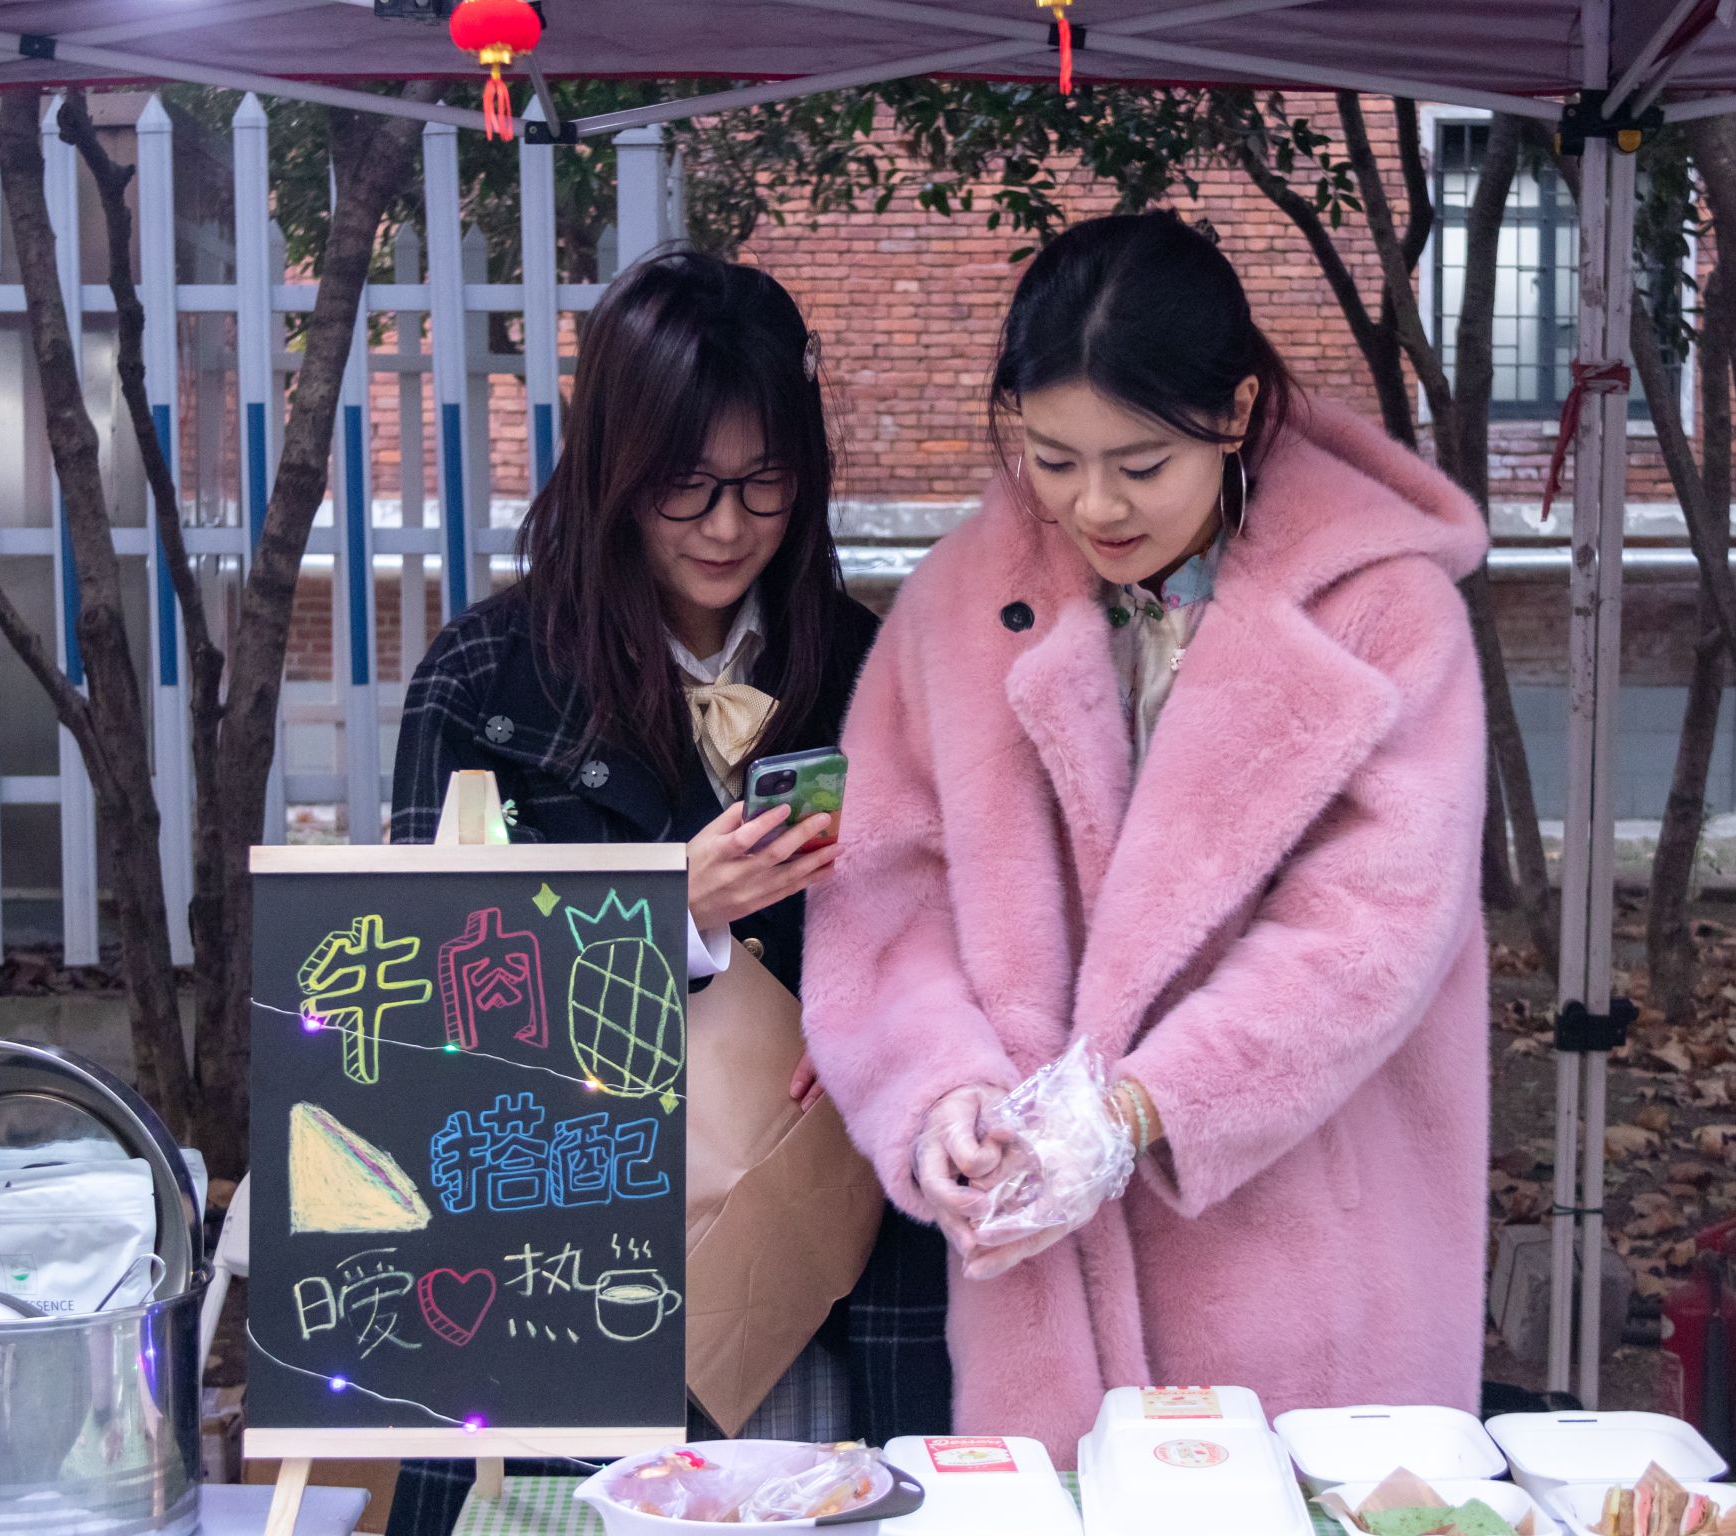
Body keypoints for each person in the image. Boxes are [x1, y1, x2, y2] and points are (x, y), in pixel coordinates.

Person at [801, 210, 1491, 1465]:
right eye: (1052, 459)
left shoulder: (1387, 612)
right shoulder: (956, 605)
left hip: (1312, 1245)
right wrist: (940, 1091)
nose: (1094, 504)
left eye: (1140, 462)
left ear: (1235, 413)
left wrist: (1138, 1110)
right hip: (1047, 1288)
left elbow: (1372, 927)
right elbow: (886, 893)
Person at [385, 250, 949, 1533]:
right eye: (682, 485)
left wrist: (886, 1034)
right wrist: (660, 912)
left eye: (763, 482)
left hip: (813, 1259)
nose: (726, 526)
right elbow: (413, 1028)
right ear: (611, 473)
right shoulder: (482, 684)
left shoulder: (876, 672)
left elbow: (948, 941)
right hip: (565, 1254)